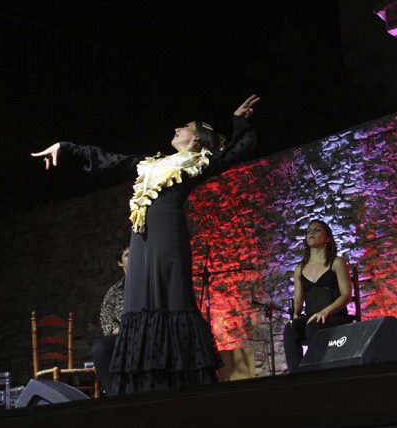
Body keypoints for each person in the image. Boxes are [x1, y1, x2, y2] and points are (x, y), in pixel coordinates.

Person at [31, 95, 259, 394]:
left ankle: (182, 387)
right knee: (140, 304)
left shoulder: (200, 162)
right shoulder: (150, 166)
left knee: (170, 297)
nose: (178, 128)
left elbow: (240, 148)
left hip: (167, 238)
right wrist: (66, 147)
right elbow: (110, 160)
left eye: (186, 126)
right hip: (141, 241)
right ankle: (144, 389)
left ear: (198, 139)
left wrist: (238, 120)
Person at [283, 220, 352, 372]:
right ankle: (297, 375)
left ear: (327, 238)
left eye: (316, 230)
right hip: (312, 317)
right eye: (308, 231)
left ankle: (317, 372)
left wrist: (325, 312)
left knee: (313, 327)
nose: (311, 233)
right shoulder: (300, 268)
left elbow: (346, 296)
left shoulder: (337, 262)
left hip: (335, 315)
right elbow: (299, 300)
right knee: (291, 329)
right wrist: (294, 315)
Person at [91, 245, 129, 394]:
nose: (132, 258)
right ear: (120, 262)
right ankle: (115, 396)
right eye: (127, 255)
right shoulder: (114, 291)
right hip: (125, 336)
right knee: (100, 347)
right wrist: (127, 329)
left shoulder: (151, 282)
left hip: (150, 333)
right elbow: (107, 322)